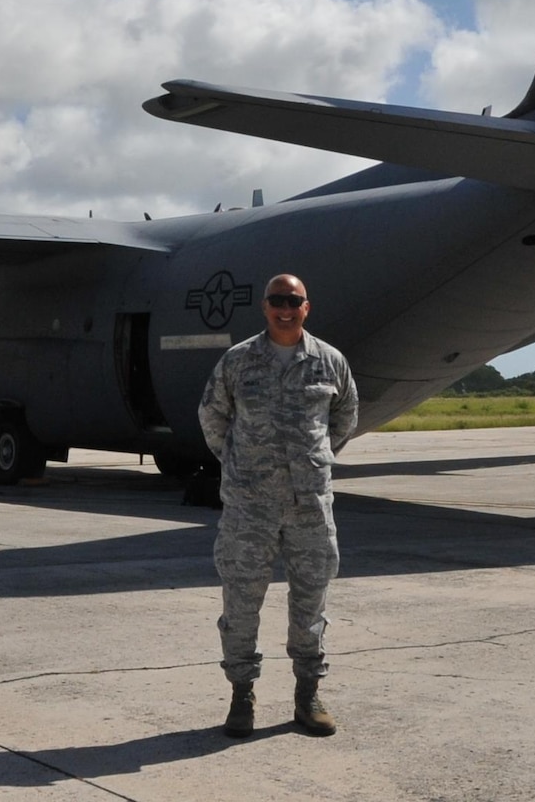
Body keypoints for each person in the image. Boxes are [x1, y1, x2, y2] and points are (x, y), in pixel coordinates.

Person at [197, 273, 359, 739]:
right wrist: (239, 464)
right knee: (242, 602)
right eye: (276, 301)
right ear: (265, 307)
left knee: (310, 603)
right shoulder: (239, 360)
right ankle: (241, 696)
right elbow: (213, 415)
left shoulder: (329, 362)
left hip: (309, 504)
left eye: (293, 301)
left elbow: (344, 416)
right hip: (250, 506)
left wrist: (316, 458)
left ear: (307, 307)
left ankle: (308, 695)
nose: (284, 309)